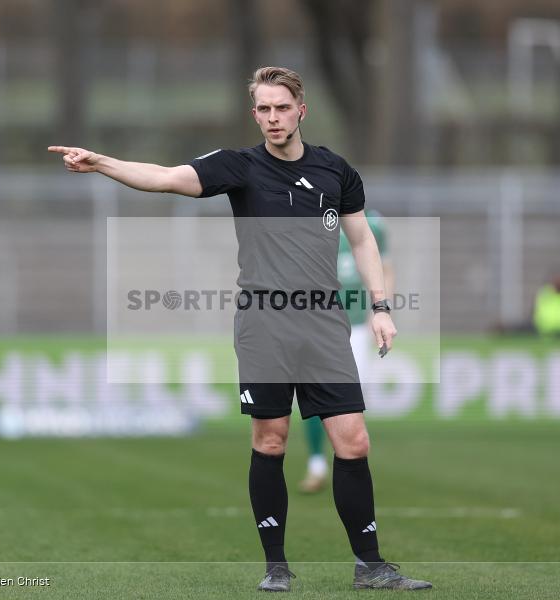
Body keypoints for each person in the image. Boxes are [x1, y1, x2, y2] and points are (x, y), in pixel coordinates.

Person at [49, 66, 432, 592]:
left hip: (324, 322)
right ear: (255, 114)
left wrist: (381, 306)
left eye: (281, 108)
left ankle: (371, 565)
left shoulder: (335, 171)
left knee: (355, 441)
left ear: (302, 110)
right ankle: (276, 566)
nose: (273, 118)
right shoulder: (238, 167)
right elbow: (163, 177)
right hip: (264, 322)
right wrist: (102, 163)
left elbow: (363, 241)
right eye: (263, 109)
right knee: (271, 441)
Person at [299, 210, 392, 494]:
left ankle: (348, 466)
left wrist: (384, 311)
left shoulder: (374, 224)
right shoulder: (306, 218)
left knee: (349, 400)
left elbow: (385, 268)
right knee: (313, 393)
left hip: (357, 326)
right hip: (316, 322)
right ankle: (316, 464)